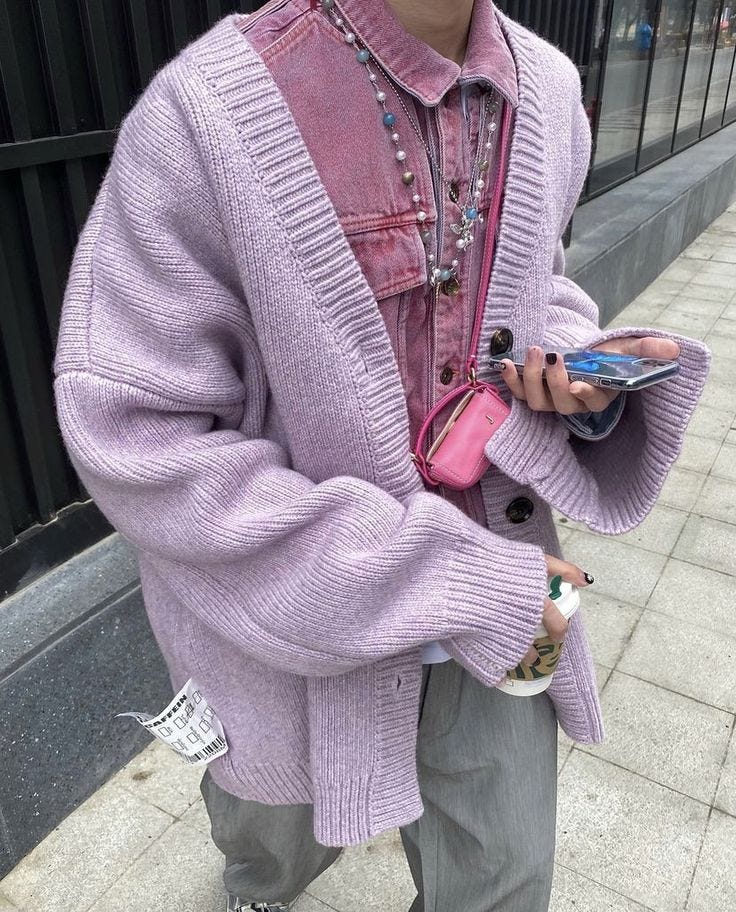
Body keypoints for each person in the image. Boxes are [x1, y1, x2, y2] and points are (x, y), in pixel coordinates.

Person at [52, 1, 708, 910]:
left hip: (512, 581)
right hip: (298, 618)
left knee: (507, 873)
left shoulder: (552, 89)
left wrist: (573, 369)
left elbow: (540, 280)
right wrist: (448, 582)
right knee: (269, 840)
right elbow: (135, 431)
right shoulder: (209, 111)